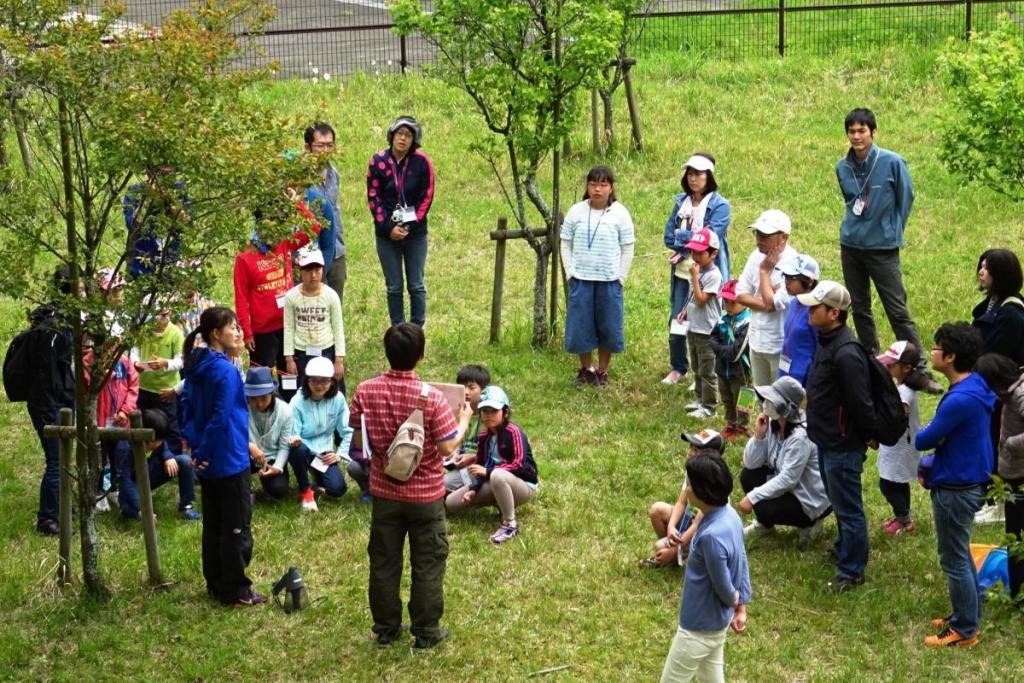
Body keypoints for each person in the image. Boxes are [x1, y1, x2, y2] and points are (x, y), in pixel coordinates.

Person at [348, 322, 473, 649]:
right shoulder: (432, 398)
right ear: (420, 355)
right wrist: (463, 421)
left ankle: (386, 629)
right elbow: (447, 448)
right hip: (427, 496)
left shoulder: (365, 391)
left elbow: (359, 440)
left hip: (384, 493)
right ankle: (426, 631)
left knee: (384, 562)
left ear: (387, 352)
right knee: (428, 562)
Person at [836, 107, 941, 395]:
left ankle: (917, 367)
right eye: (852, 131)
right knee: (860, 307)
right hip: (851, 245)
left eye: (862, 130)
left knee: (897, 309)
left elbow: (906, 198)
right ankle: (871, 361)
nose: (856, 136)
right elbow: (851, 201)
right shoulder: (842, 167)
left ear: (873, 132)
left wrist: (892, 229)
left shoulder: (892, 162)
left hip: (882, 248)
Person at [915, 322, 995, 647]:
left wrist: (933, 431)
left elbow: (923, 439)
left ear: (949, 357)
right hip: (971, 479)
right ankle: (968, 613)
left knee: (953, 558)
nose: (931, 351)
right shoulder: (977, 385)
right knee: (959, 552)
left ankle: (964, 630)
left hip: (955, 487)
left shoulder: (958, 400)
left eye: (936, 347)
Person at [181, 307, 262, 606]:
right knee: (237, 525)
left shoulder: (195, 364)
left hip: (207, 460)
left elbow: (186, 406)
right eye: (233, 327)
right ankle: (237, 589)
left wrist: (195, 447)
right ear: (216, 334)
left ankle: (214, 582)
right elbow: (220, 416)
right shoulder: (225, 371)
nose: (239, 332)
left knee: (214, 524)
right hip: (227, 457)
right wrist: (205, 449)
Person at [801, 281, 875, 593]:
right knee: (837, 498)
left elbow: (861, 402)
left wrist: (868, 435)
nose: (809, 310)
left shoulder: (846, 353)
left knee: (848, 507)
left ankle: (851, 570)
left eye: (815, 307)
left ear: (834, 313)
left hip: (842, 444)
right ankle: (845, 546)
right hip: (826, 437)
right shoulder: (826, 340)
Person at [659, 453, 750, 683]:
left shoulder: (710, 536)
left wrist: (735, 598)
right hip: (717, 625)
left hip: (696, 630)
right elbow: (742, 559)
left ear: (702, 492)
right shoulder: (731, 516)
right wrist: (741, 606)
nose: (686, 489)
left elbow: (723, 585)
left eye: (689, 484)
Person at [560, 165, 636, 387]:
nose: (597, 189)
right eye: (593, 184)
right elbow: (565, 243)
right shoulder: (576, 211)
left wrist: (621, 277)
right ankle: (586, 368)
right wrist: (569, 273)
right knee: (581, 326)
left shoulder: (620, 213)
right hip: (581, 279)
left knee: (608, 327)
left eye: (603, 184)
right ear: (587, 186)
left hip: (609, 281)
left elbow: (628, 247)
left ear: (611, 187)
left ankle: (602, 371)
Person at [234, 193, 321, 385]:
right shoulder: (245, 257)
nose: (277, 238)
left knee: (289, 377)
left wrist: (296, 203)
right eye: (272, 232)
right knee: (261, 381)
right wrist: (247, 332)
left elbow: (314, 228)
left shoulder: (285, 244)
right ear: (261, 227)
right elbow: (241, 297)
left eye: (281, 230)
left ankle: (288, 405)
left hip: (288, 324)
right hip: (262, 332)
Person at [661, 153, 732, 386]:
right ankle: (678, 366)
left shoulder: (720, 206)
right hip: (682, 272)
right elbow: (667, 237)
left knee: (705, 323)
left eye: (698, 174)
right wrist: (689, 240)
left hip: (707, 274)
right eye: (690, 174)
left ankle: (704, 372)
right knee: (677, 319)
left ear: (708, 176)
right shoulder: (680, 202)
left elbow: (710, 239)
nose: (693, 179)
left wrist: (683, 238)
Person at [738, 376, 830, 542]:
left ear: (786, 407)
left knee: (764, 506)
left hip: (809, 498)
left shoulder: (800, 437)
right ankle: (765, 526)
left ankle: (811, 523)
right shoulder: (774, 424)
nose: (765, 403)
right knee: (748, 476)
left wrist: (753, 497)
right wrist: (759, 436)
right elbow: (751, 463)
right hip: (792, 488)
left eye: (771, 400)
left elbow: (788, 479)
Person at [445, 386, 539, 544]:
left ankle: (509, 523)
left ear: (505, 412)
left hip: (523, 485)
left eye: (494, 411)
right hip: (494, 480)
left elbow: (519, 465)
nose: (488, 415)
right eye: (485, 411)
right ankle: (499, 502)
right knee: (451, 503)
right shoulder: (484, 436)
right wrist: (474, 490)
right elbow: (480, 465)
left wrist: (488, 471)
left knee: (497, 475)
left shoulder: (514, 432)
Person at [367, 115, 435, 327]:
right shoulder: (377, 161)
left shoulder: (422, 162)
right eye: (399, 133)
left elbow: (427, 196)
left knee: (416, 284)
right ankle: (398, 328)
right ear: (392, 135)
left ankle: (417, 328)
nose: (403, 139)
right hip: (386, 235)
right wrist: (389, 228)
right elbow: (373, 197)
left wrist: (408, 226)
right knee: (394, 286)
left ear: (414, 140)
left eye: (408, 135)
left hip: (415, 235)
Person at [24, 267, 75, 535]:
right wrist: (47, 413)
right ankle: (47, 518)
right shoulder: (51, 330)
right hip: (50, 405)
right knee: (55, 460)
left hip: (62, 400)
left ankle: (63, 506)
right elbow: (43, 377)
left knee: (65, 459)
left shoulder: (65, 322)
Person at [974, 353, 1024, 603]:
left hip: (1020, 476)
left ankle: (1018, 595)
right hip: (1012, 473)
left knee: (1016, 535)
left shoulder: (1021, 395)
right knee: (1013, 535)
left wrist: (1009, 445)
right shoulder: (1010, 393)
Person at [641, 430, 726, 569]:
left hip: (706, 533)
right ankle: (671, 556)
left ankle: (675, 554)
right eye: (690, 447)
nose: (690, 452)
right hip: (693, 522)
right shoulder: (692, 470)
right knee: (656, 510)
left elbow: (698, 524)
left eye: (696, 450)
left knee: (658, 547)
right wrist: (671, 528)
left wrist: (676, 548)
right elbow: (681, 502)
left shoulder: (713, 483)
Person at [735, 209, 797, 387]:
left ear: (783, 237)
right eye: (757, 233)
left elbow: (774, 303)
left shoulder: (793, 264)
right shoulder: (756, 256)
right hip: (756, 341)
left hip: (781, 346)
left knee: (781, 399)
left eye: (765, 235)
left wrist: (764, 272)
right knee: (762, 396)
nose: (758, 239)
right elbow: (740, 295)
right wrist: (767, 298)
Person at [243, 367, 315, 511]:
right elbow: (233, 436)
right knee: (235, 456)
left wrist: (277, 467)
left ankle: (301, 489)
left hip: (272, 457)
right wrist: (250, 446)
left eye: (263, 398)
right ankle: (245, 489)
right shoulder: (241, 409)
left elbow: (284, 445)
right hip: (246, 454)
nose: (259, 403)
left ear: (272, 394)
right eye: (253, 399)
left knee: (279, 491)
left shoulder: (285, 411)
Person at [289, 356, 353, 506]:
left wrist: (340, 454)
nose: (319, 385)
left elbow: (348, 430)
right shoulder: (297, 402)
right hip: (303, 450)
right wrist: (298, 443)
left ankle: (317, 479)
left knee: (337, 489)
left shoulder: (338, 399)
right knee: (298, 449)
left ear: (332, 382)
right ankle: (305, 489)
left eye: (324, 381)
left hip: (324, 453)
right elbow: (293, 435)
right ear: (307, 381)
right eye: (314, 380)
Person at [116, 409, 200, 521]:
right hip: (131, 484)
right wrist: (141, 508)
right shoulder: (124, 448)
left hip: (148, 476)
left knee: (184, 461)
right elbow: (125, 480)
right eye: (158, 440)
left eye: (161, 439)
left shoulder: (157, 441)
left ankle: (186, 507)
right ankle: (135, 511)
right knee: (127, 509)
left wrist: (168, 457)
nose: (160, 443)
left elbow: (163, 446)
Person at [875, 340, 922, 536]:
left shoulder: (905, 392)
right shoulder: (903, 385)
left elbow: (897, 415)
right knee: (899, 482)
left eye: (891, 364)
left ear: (906, 368)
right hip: (899, 443)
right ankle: (904, 515)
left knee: (887, 484)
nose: (886, 366)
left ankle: (904, 519)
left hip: (900, 445)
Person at [283, 247, 345, 394]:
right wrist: (289, 359)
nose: (313, 275)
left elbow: (338, 328)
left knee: (331, 392)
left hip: (326, 350)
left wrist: (339, 360)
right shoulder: (291, 296)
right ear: (300, 272)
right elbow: (289, 327)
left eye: (317, 270)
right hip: (301, 352)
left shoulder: (331, 295)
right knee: (303, 392)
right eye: (308, 271)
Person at [681, 228, 723, 419]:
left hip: (707, 331)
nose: (695, 257)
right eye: (693, 252)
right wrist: (684, 311)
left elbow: (701, 299)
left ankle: (709, 407)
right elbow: (692, 299)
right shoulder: (697, 272)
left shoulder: (714, 275)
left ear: (713, 253)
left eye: (700, 252)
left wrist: (695, 278)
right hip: (694, 327)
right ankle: (700, 399)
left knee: (708, 370)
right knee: (697, 366)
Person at [131, 308, 185, 453]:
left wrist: (165, 363)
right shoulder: (144, 329)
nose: (165, 318)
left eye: (167, 314)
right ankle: (143, 456)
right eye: (161, 315)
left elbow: (181, 360)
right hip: (144, 386)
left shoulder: (176, 333)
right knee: (144, 423)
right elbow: (135, 348)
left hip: (165, 389)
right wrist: (135, 362)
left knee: (170, 426)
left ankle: (174, 459)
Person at [304, 122, 347, 301]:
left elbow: (334, 210)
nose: (325, 150)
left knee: (334, 304)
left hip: (336, 249)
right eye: (320, 146)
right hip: (310, 252)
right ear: (307, 147)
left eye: (329, 145)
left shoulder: (333, 173)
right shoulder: (299, 176)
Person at [123, 166, 189, 279]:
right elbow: (133, 225)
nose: (164, 174)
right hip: (139, 266)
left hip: (170, 263)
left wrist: (170, 198)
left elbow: (185, 224)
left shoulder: (180, 190)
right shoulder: (135, 191)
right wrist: (149, 198)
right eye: (158, 171)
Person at [710, 280, 752, 441]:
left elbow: (736, 352)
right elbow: (712, 339)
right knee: (727, 397)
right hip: (722, 369)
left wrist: (720, 350)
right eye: (725, 301)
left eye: (732, 302)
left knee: (743, 398)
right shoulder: (722, 319)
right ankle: (730, 423)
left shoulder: (747, 323)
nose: (727, 305)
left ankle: (742, 425)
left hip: (741, 371)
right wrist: (721, 351)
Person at [442, 364, 490, 495]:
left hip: (480, 466)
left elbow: (496, 453)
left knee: (442, 485)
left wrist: (473, 456)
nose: (466, 391)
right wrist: (453, 453)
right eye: (462, 387)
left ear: (483, 390)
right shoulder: (454, 412)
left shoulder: (490, 417)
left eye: (471, 387)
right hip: (457, 464)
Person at [778, 253, 820, 386]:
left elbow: (820, 348)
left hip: (802, 380)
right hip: (784, 374)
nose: (787, 281)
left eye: (792, 278)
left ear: (810, 281)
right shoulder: (795, 301)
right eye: (785, 276)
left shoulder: (815, 310)